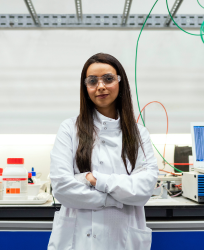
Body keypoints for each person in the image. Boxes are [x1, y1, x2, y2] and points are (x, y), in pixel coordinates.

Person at [48, 53, 159, 250]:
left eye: (108, 78)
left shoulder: (139, 134)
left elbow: (143, 190)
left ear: (119, 82)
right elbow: (62, 188)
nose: (100, 86)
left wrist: (93, 179)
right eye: (92, 81)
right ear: (86, 88)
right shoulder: (69, 129)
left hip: (122, 238)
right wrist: (115, 199)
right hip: (78, 239)